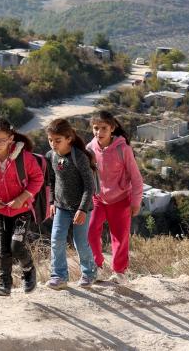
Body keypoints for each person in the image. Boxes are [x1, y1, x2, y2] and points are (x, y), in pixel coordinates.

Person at [0, 117, 44, 296]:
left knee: (16, 246)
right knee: (2, 248)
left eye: (0, 140)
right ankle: (5, 284)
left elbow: (38, 179)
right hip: (0, 210)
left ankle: (28, 271)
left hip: (22, 211)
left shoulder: (24, 158)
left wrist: (23, 197)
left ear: (11, 139)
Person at [86, 110, 143, 284]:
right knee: (90, 231)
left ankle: (119, 273)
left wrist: (135, 202)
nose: (99, 132)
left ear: (112, 128)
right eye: (96, 128)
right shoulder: (89, 149)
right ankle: (96, 265)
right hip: (98, 198)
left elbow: (136, 178)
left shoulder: (123, 149)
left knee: (119, 237)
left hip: (120, 199)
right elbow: (87, 175)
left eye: (103, 128)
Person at [45, 118, 97, 289]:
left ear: (69, 138)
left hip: (81, 208)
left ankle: (89, 273)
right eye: (50, 140)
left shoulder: (79, 157)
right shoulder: (51, 156)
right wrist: (52, 202)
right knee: (56, 240)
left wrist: (82, 209)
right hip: (61, 207)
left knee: (80, 242)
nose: (53, 144)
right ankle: (59, 276)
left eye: (57, 140)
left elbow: (90, 186)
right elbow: (51, 181)